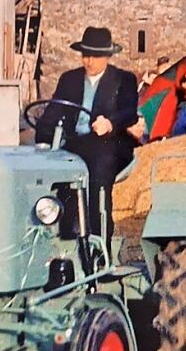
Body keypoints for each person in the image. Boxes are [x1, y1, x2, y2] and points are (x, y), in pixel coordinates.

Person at [35, 27, 139, 251]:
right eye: (85, 55)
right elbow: (53, 112)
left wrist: (110, 123)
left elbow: (129, 112)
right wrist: (42, 140)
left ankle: (99, 243)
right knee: (55, 175)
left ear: (107, 57)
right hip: (75, 143)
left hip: (110, 143)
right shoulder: (69, 79)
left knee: (96, 176)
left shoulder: (124, 79)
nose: (89, 61)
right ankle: (63, 240)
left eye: (95, 56)